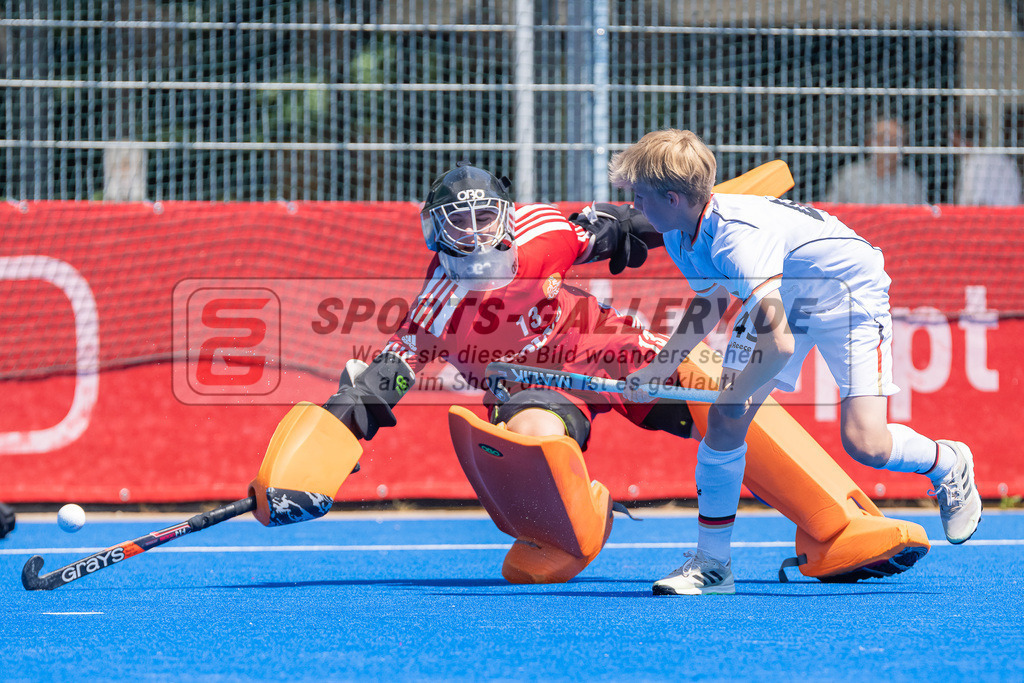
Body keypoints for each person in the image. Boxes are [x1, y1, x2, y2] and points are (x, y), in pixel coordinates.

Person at [320, 161, 932, 586]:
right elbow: (378, 386)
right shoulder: (436, 307)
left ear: (504, 217)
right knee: (530, 438)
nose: (476, 234)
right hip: (532, 385)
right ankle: (566, 532)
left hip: (606, 346)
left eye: (485, 219)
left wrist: (706, 210)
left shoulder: (544, 233)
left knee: (716, 385)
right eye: (460, 223)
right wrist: (311, 463)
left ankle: (838, 526)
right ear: (437, 230)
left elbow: (626, 228)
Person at [611, 129, 982, 596]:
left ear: (672, 198)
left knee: (866, 443)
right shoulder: (680, 235)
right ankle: (713, 566)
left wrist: (736, 392)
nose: (635, 207)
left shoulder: (737, 240)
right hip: (786, 291)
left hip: (847, 293)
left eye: (641, 197)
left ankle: (947, 461)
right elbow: (710, 302)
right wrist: (659, 368)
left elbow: (781, 343)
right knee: (724, 423)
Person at [825, 118, 928, 204]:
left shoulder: (911, 181)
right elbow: (832, 211)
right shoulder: (850, 176)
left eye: (894, 141)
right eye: (881, 139)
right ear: (869, 142)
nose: (887, 146)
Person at [953, 110, 1022, 206]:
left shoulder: (975, 163)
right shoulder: (1003, 159)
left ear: (960, 137)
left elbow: (978, 204)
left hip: (993, 213)